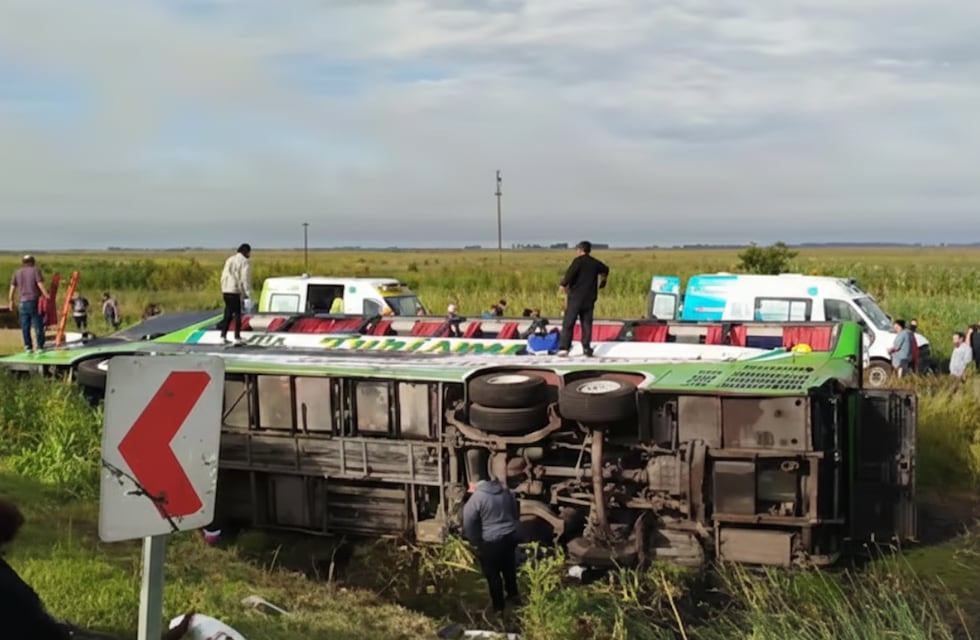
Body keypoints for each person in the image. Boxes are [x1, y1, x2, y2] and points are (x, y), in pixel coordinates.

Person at [462, 478, 521, 614]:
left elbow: (469, 521)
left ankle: (499, 607)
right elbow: (515, 511)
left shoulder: (478, 498)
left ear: (475, 485)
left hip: (491, 541)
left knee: (493, 575)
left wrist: (475, 540)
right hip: (509, 536)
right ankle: (514, 596)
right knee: (509, 569)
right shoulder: (506, 492)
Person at [557, 241, 609, 357]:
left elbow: (570, 274)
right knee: (586, 323)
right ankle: (586, 348)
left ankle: (564, 347)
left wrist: (563, 284)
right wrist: (603, 281)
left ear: (580, 250)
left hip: (576, 297)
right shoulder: (594, 262)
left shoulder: (578, 262)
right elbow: (605, 269)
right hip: (589, 298)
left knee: (569, 322)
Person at [8, 255, 50, 353]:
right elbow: (40, 284)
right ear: (33, 262)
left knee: (25, 325)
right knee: (37, 324)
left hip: (22, 302)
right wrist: (47, 296)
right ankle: (40, 346)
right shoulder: (36, 271)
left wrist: (11, 301)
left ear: (23, 262)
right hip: (34, 301)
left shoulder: (17, 272)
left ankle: (28, 346)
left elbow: (12, 288)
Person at [218, 243, 253, 345]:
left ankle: (223, 336)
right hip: (235, 290)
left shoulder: (230, 259)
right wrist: (247, 293)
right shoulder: (244, 261)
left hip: (226, 290)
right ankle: (237, 337)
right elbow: (244, 279)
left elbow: (224, 275)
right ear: (246, 251)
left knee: (228, 314)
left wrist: (224, 288)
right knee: (238, 314)